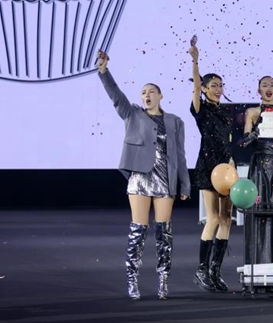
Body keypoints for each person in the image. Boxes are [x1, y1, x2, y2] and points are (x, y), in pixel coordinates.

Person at [96, 50, 190, 300]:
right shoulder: (133, 114)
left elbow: (180, 156)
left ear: (160, 95)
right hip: (139, 178)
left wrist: (185, 185)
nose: (146, 95)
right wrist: (104, 71)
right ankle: (132, 280)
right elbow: (116, 96)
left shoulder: (175, 122)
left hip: (165, 180)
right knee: (138, 230)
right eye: (143, 92)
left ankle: (163, 280)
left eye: (151, 92)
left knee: (164, 233)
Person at [188, 45, 234, 292]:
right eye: (213, 85)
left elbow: (227, 141)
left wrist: (232, 165)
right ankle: (202, 269)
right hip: (208, 167)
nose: (218, 89)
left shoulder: (225, 113)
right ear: (204, 89)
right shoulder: (200, 109)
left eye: (220, 85)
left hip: (227, 169)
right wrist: (196, 61)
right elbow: (195, 87)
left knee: (226, 219)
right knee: (213, 217)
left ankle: (216, 271)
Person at [241, 76, 273, 269]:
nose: (269, 88)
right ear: (259, 90)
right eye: (265, 85)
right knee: (259, 210)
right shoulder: (252, 112)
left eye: (272, 85)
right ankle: (258, 266)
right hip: (260, 167)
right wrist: (255, 133)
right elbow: (243, 142)